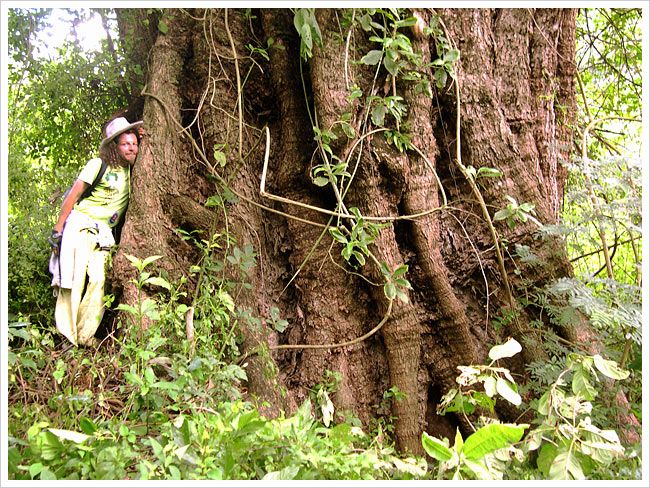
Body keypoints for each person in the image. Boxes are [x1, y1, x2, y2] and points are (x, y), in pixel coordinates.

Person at [48, 116, 144, 347]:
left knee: (99, 280)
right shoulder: (98, 165)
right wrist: (58, 228)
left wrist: (142, 133)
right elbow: (74, 194)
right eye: (125, 144)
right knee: (74, 279)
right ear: (114, 146)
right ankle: (67, 337)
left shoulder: (134, 172)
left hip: (104, 234)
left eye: (134, 143)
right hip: (81, 225)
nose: (131, 148)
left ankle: (84, 333)